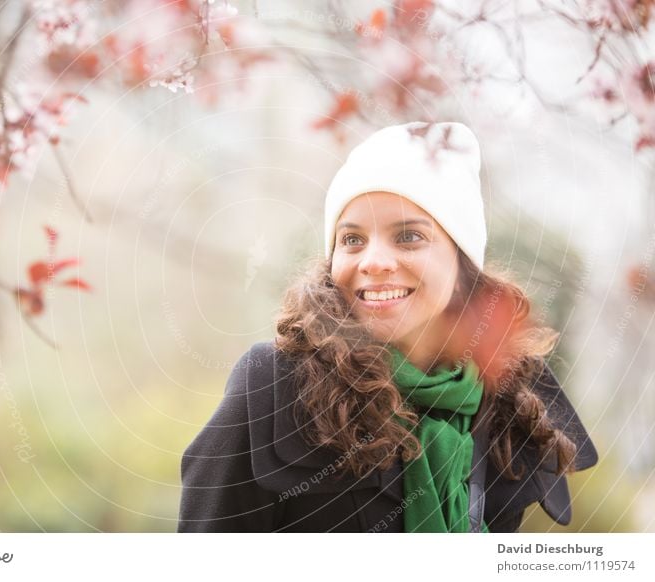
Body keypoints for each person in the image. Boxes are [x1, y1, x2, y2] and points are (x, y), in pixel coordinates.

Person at [177, 121, 598, 533]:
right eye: (353, 240)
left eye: (408, 237)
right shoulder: (277, 385)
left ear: (463, 263)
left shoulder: (508, 399)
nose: (373, 261)